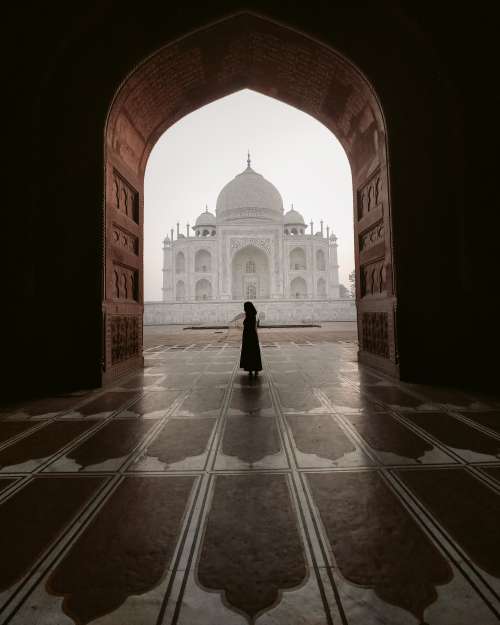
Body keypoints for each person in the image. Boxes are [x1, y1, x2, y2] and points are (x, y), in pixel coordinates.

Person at [239, 301, 262, 376]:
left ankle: (250, 369)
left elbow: (248, 325)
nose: (244, 308)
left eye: (245, 307)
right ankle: (255, 369)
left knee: (249, 352)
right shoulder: (253, 314)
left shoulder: (249, 315)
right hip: (252, 336)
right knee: (254, 352)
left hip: (248, 336)